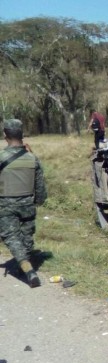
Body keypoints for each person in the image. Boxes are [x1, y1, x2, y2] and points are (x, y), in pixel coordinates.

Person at [0, 119, 47, 288]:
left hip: (6, 204)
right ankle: (23, 266)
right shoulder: (32, 158)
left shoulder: (1, 157)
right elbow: (40, 185)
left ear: (5, 135)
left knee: (11, 237)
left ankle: (27, 269)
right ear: (22, 135)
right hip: (27, 203)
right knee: (26, 236)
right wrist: (39, 200)